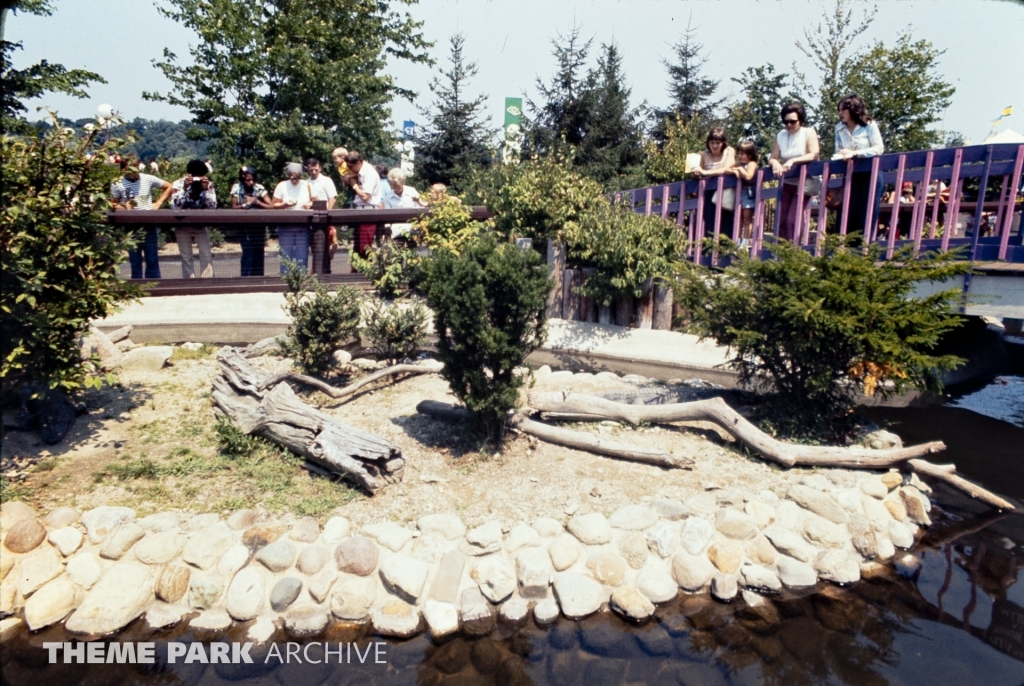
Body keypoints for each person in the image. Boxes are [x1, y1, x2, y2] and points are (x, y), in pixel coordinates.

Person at [110, 156, 171, 279]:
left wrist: (158, 203)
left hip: (148, 221)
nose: (135, 172)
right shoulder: (117, 182)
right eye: (131, 169)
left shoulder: (147, 178)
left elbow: (169, 186)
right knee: (134, 257)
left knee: (152, 256)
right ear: (124, 169)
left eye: (136, 168)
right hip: (130, 224)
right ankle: (137, 284)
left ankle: (154, 285)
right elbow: (113, 203)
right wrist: (122, 207)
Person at [833, 94, 884, 236]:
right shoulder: (839, 128)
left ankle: (864, 248)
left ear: (853, 110)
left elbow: (879, 148)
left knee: (867, 211)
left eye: (843, 110)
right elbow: (838, 149)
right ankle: (846, 247)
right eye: (839, 110)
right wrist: (841, 154)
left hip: (870, 173)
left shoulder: (869, 125)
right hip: (851, 173)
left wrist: (855, 153)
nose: (840, 113)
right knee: (848, 210)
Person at [769, 102, 820, 242]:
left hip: (805, 181)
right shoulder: (781, 135)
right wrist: (775, 164)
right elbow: (773, 157)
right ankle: (781, 252)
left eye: (793, 121)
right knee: (781, 220)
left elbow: (813, 154)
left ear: (800, 120)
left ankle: (795, 249)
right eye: (786, 122)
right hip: (787, 181)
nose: (789, 125)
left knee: (793, 219)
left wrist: (793, 161)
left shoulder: (808, 132)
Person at [167, 159, 217, 278]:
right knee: (186, 255)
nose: (198, 178)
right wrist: (184, 189)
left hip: (200, 223)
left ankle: (207, 280)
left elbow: (213, 206)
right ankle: (189, 281)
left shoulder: (208, 185)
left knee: (206, 253)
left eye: (201, 175)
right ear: (189, 174)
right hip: (182, 223)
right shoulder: (178, 184)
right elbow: (175, 206)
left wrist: (206, 190)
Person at [691, 127, 736, 235]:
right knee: (709, 221)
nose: (715, 146)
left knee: (726, 220)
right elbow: (695, 173)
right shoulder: (703, 155)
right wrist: (696, 173)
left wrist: (704, 172)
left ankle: (725, 249)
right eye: (712, 142)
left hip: (725, 190)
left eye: (718, 143)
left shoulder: (728, 151)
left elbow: (726, 168)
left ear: (723, 143)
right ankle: (709, 249)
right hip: (709, 192)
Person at [231, 166, 274, 276]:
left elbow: (271, 206)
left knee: (259, 252)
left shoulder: (259, 188)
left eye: (253, 179)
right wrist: (247, 204)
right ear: (242, 179)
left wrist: (257, 202)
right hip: (243, 225)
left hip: (258, 225)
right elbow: (234, 207)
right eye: (248, 180)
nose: (251, 182)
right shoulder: (237, 188)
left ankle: (258, 278)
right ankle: (245, 278)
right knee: (248, 252)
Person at [272, 162, 313, 273]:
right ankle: (286, 280)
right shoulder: (281, 185)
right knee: (286, 255)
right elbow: (274, 204)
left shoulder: (307, 185)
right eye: (291, 177)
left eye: (297, 178)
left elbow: (315, 200)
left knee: (302, 255)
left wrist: (310, 204)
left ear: (301, 176)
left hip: (303, 226)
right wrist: (284, 205)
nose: (294, 180)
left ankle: (301, 279)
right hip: (285, 226)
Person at [346, 151, 382, 267]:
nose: (350, 169)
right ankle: (356, 272)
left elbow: (366, 197)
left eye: (351, 167)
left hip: (368, 210)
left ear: (358, 163)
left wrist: (355, 185)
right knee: (357, 246)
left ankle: (365, 274)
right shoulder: (360, 172)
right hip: (360, 210)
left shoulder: (369, 173)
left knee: (364, 246)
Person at [306, 157, 339, 274]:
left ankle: (325, 273)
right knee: (315, 248)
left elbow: (333, 198)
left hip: (325, 218)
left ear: (320, 168)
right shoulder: (306, 183)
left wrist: (327, 213)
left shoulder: (326, 181)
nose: (314, 172)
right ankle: (316, 272)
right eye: (311, 170)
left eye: (316, 169)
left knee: (325, 246)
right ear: (308, 170)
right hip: (312, 219)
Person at [382, 168, 427, 239]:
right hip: (396, 232)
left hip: (413, 230)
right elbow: (387, 217)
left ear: (403, 183)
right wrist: (387, 228)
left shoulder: (412, 191)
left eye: (399, 187)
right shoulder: (388, 198)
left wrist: (418, 224)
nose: (396, 189)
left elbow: (420, 209)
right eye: (394, 187)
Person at [730, 141, 759, 248]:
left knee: (747, 219)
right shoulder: (739, 164)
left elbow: (748, 176)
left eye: (742, 154)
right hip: (740, 193)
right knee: (739, 218)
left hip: (748, 192)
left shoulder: (751, 164)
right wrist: (735, 170)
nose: (739, 156)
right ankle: (737, 241)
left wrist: (740, 169)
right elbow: (728, 169)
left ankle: (745, 243)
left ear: (749, 155)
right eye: (739, 153)